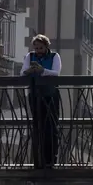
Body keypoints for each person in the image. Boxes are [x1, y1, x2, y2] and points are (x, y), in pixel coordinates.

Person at [21, 34, 62, 168]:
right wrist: (30, 70)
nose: (38, 51)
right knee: (37, 126)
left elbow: (56, 73)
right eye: (36, 48)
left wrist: (42, 70)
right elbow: (22, 73)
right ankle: (38, 160)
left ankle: (51, 160)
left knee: (50, 127)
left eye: (41, 48)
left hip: (51, 95)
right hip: (35, 95)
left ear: (46, 46)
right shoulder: (30, 56)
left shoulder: (55, 56)